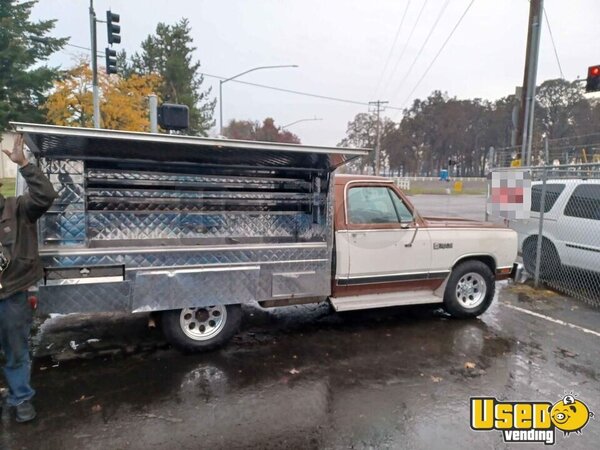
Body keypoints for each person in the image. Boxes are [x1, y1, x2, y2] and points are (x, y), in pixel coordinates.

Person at [0, 134, 56, 423]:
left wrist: (24, 164)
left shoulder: (18, 209)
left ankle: (20, 397)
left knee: (16, 350)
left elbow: (46, 195)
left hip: (11, 294)